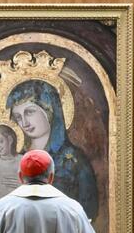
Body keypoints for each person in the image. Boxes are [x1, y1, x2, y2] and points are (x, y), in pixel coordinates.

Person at [7, 80, 99, 222]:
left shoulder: (74, 160)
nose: (24, 123)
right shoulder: (14, 158)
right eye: (18, 117)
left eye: (30, 112)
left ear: (49, 110)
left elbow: (88, 212)